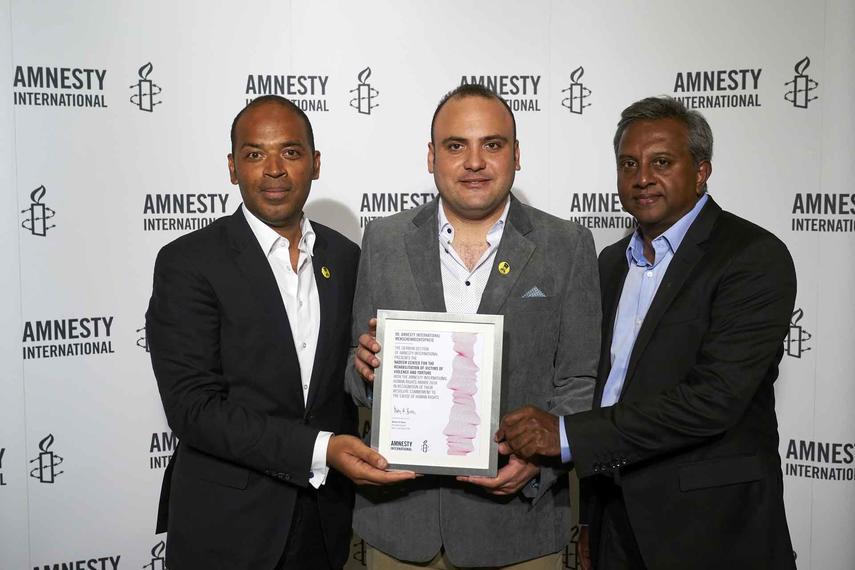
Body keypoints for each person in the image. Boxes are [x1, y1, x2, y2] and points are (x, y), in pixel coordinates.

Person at [498, 96, 797, 570]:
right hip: (615, 521)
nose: (642, 178)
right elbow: (600, 387)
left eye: (661, 162)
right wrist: (584, 507)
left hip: (711, 528)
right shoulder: (609, 264)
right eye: (628, 164)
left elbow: (712, 401)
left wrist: (565, 434)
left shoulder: (752, 257)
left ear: (701, 172)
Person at [146, 95, 413, 570]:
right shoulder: (188, 263)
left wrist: (375, 367)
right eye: (255, 154)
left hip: (325, 522)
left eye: (290, 152)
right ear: (233, 167)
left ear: (315, 163)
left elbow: (349, 377)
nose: (274, 169)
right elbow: (193, 409)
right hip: (226, 526)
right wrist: (322, 449)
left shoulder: (346, 258)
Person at [347, 84, 601, 569]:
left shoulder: (566, 245)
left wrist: (541, 461)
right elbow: (355, 372)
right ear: (432, 156)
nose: (475, 162)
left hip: (518, 528)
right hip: (401, 526)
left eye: (492, 144)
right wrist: (364, 371)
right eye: (456, 145)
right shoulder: (384, 240)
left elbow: (580, 379)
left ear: (516, 154)